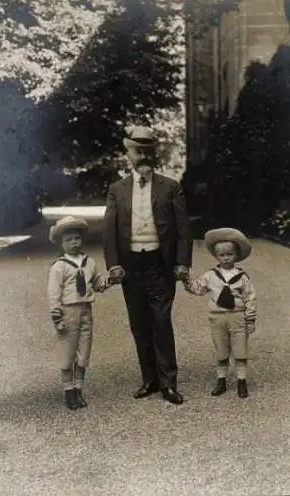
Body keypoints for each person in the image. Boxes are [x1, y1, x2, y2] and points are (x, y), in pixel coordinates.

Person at [103, 126, 192, 405]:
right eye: (136, 151)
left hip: (159, 266)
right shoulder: (117, 190)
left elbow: (183, 229)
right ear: (128, 153)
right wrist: (114, 265)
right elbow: (109, 231)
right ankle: (150, 379)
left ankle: (168, 383)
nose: (142, 155)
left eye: (147, 151)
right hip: (131, 267)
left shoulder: (171, 187)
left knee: (161, 322)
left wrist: (181, 263)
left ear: (154, 154)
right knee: (139, 324)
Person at [183, 228, 257, 398]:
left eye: (230, 254)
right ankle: (221, 381)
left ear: (236, 255)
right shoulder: (211, 275)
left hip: (237, 317)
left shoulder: (242, 277)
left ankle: (241, 381)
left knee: (240, 351)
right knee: (222, 350)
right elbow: (198, 288)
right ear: (216, 256)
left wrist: (250, 319)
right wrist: (185, 280)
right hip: (218, 318)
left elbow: (250, 297)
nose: (226, 258)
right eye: (222, 255)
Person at [48, 216, 110, 410]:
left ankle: (78, 390)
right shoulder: (59, 266)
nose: (74, 243)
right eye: (69, 240)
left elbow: (97, 283)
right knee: (67, 353)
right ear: (61, 243)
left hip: (86, 311)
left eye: (77, 238)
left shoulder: (89, 262)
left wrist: (110, 281)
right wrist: (57, 319)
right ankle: (68, 392)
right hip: (68, 312)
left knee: (84, 352)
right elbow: (53, 294)